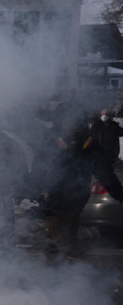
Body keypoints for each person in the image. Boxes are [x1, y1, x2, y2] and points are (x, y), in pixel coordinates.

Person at [33, 103, 123, 256]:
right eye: (67, 119)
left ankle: (63, 275)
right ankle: (63, 274)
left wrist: (120, 195)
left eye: (74, 120)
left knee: (61, 248)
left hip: (74, 205)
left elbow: (104, 173)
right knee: (62, 248)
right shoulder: (50, 141)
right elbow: (38, 169)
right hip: (55, 204)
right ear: (61, 121)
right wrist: (39, 191)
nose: (70, 123)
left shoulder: (88, 145)